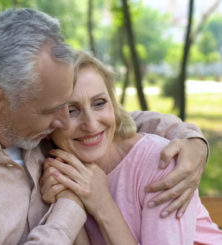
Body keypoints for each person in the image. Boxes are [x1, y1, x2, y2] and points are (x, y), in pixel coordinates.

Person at [0, 8, 207, 245]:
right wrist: (70, 205)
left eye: (65, 107)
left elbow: (113, 121)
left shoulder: (30, 124)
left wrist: (190, 139)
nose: (65, 122)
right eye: (56, 110)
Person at [40, 50, 222, 245]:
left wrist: (102, 205)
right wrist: (67, 202)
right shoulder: (57, 170)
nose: (91, 125)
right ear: (46, 122)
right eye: (71, 110)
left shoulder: (160, 162)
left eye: (99, 103)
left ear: (114, 106)